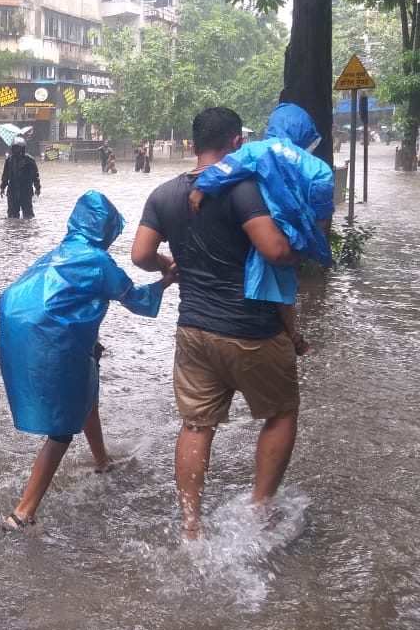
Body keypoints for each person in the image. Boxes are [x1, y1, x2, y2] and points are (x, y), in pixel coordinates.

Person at [131, 106, 306, 542]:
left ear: (193, 145)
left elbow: (139, 256)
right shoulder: (244, 189)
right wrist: (304, 248)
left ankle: (191, 526)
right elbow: (276, 252)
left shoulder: (164, 194)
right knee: (281, 413)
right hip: (252, 332)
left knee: (196, 425)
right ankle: (260, 509)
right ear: (237, 144)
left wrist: (167, 264)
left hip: (192, 332)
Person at [0, 191, 173, 532]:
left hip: (17, 329)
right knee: (62, 431)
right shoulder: (98, 261)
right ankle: (22, 514)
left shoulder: (56, 254)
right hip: (52, 339)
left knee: (87, 386)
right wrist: (166, 281)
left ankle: (102, 460)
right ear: (106, 231)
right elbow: (136, 300)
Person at [187, 103, 334, 356]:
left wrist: (202, 186)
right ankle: (293, 333)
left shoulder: (256, 149)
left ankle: (287, 330)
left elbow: (226, 169)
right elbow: (322, 208)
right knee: (285, 275)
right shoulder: (318, 167)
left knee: (268, 272)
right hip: (296, 229)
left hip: (263, 221)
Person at [0, 136, 40, 218]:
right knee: (12, 216)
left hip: (26, 191)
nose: (16, 150)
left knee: (28, 215)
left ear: (22, 148)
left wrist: (37, 187)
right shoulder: (9, 160)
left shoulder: (29, 160)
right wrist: (2, 187)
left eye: (18, 148)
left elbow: (35, 175)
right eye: (14, 148)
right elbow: (5, 175)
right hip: (12, 191)